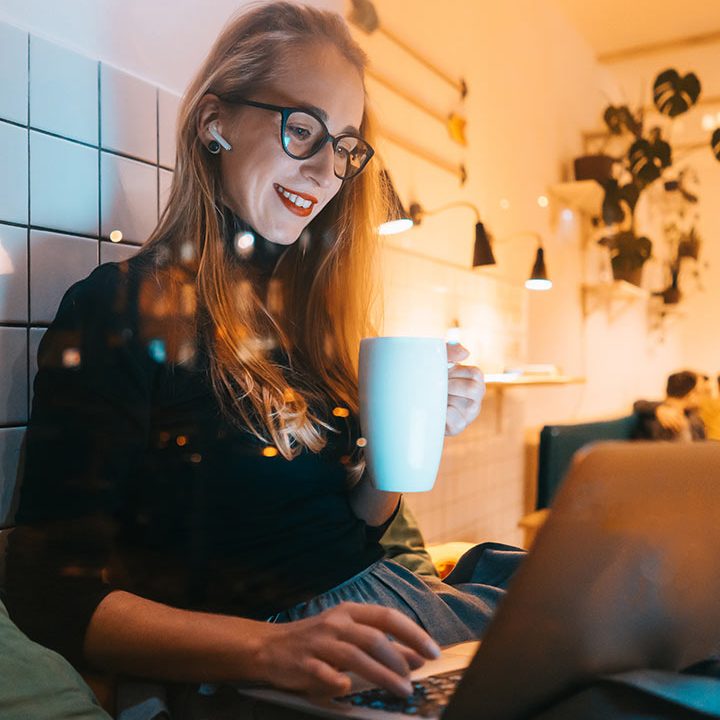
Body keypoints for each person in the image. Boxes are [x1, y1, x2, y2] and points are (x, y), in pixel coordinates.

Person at [3, 3, 523, 715]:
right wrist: (270, 649)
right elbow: (47, 591)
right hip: (266, 660)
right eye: (302, 129)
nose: (324, 171)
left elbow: (360, 527)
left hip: (380, 619)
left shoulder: (303, 323)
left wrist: (409, 435)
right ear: (216, 121)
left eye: (344, 147)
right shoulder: (120, 308)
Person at [633, 370, 706, 441]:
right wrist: (658, 410)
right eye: (702, 392)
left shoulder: (693, 418)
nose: (704, 397)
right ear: (691, 394)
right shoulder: (652, 417)